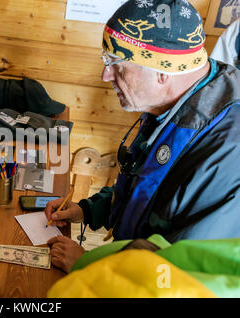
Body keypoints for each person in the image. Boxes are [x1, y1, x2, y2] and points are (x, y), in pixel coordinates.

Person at [45, 0, 240, 273]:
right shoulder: (176, 100)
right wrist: (89, 210)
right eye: (106, 61)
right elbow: (150, 187)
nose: (105, 75)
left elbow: (180, 275)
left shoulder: (227, 150)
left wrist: (88, 265)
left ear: (162, 71)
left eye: (116, 63)